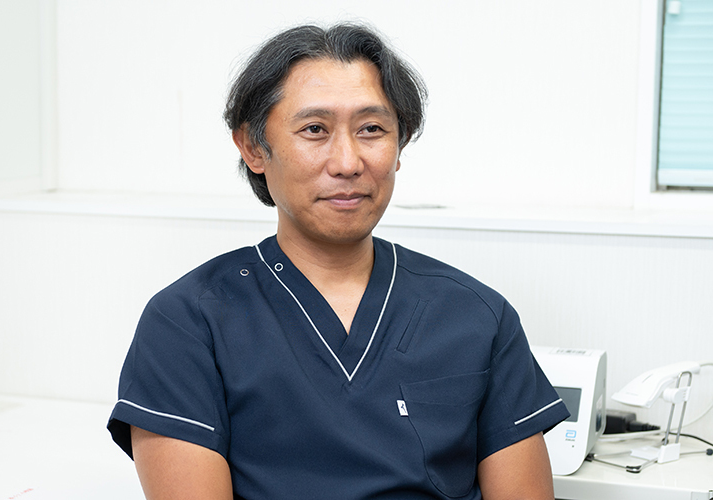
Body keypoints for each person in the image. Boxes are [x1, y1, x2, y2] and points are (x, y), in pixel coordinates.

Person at [108, 22, 569, 500]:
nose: (348, 162)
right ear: (253, 148)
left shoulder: (477, 315)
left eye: (372, 129)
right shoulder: (187, 323)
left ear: (399, 145)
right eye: (315, 130)